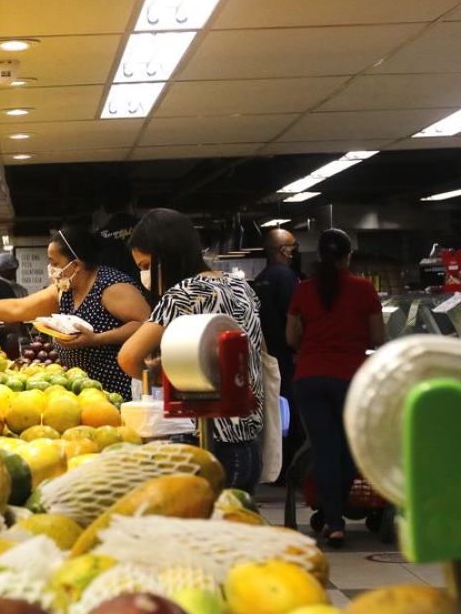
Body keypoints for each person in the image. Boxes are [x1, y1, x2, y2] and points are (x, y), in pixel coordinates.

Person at [117, 208, 266, 492]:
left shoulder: (182, 294)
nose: (144, 275)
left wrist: (163, 376)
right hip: (248, 447)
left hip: (204, 444)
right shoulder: (241, 288)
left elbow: (128, 357)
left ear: (168, 255)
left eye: (147, 265)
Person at [0, 225, 150, 399]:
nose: (50, 268)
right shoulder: (64, 289)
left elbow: (145, 324)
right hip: (81, 390)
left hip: (117, 390)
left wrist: (96, 339)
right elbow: (16, 308)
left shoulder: (110, 286)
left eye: (54, 262)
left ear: (75, 265)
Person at [286, 228, 384, 548]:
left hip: (309, 379)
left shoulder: (303, 290)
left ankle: (334, 521)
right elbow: (377, 339)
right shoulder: (364, 289)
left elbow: (291, 338)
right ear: (348, 256)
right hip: (351, 379)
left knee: (324, 448)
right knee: (349, 450)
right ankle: (335, 515)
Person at [252, 228, 302, 481]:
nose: (295, 252)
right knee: (291, 415)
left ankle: (276, 467)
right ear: (283, 250)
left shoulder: (261, 278)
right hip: (286, 356)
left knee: (276, 413)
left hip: (267, 355)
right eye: (293, 246)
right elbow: (296, 319)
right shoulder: (285, 276)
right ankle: (289, 470)